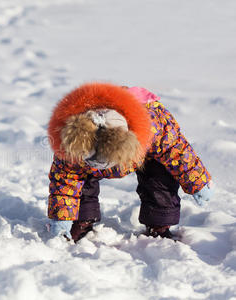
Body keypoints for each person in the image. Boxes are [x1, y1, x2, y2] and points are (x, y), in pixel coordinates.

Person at [46, 82, 213, 242]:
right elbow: (64, 182)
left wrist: (198, 182)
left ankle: (159, 224)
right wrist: (62, 218)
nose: (97, 166)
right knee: (78, 176)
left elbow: (179, 152)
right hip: (88, 150)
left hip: (143, 150)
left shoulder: (154, 127)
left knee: (160, 174)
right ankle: (81, 221)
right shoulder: (72, 144)